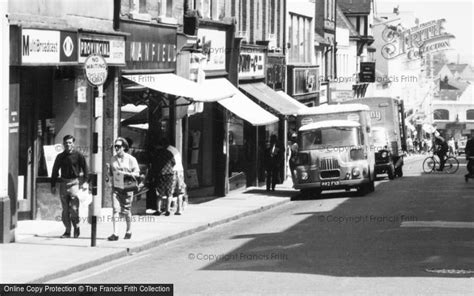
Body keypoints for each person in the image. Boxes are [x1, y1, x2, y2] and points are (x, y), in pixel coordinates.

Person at [51, 135, 88, 238]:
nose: (68, 144)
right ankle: (67, 230)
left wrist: (85, 182)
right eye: (66, 143)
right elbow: (54, 170)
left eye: (70, 142)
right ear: (63, 144)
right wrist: (53, 184)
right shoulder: (60, 156)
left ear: (73, 144)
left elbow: (86, 169)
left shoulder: (79, 155)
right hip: (63, 183)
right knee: (65, 210)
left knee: (74, 208)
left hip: (74, 183)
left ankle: (76, 227)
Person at [107, 137, 140, 241]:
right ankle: (115, 233)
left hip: (127, 187)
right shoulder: (113, 159)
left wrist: (125, 173)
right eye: (115, 146)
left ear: (124, 147)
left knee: (126, 210)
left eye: (119, 146)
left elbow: (137, 173)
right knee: (115, 209)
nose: (116, 148)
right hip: (116, 186)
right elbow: (111, 174)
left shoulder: (131, 159)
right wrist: (108, 171)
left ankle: (129, 230)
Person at [149, 138, 176, 216]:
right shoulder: (169, 153)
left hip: (160, 174)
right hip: (170, 174)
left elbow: (153, 164)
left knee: (159, 193)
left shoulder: (156, 153)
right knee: (169, 193)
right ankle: (168, 210)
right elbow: (173, 162)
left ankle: (158, 210)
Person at [167, 143, 187, 215]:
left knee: (170, 191)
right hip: (180, 170)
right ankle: (179, 209)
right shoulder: (174, 149)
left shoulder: (167, 150)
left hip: (173, 171)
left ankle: (168, 209)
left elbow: (172, 162)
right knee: (180, 191)